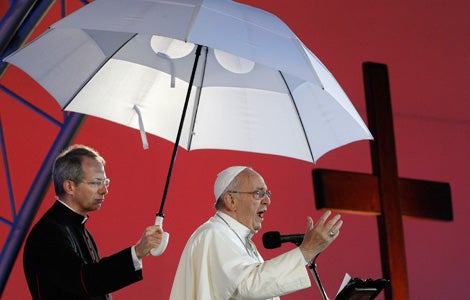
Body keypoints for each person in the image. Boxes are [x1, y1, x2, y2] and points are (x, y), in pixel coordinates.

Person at [170, 166, 343, 299]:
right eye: (258, 193)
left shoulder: (241, 241)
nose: (267, 200)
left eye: (267, 193)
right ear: (231, 200)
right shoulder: (213, 234)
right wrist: (306, 251)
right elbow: (248, 285)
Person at [23, 144, 163, 299]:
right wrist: (136, 252)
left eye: (105, 182)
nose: (104, 190)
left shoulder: (75, 227)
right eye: (96, 182)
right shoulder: (48, 233)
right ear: (69, 186)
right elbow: (84, 280)